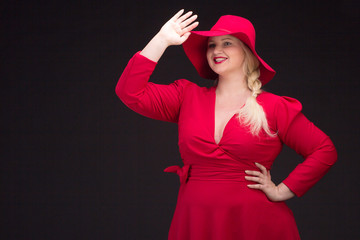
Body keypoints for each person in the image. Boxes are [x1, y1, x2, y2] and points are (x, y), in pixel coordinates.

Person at [115, 9, 337, 240]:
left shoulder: (274, 106)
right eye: (211, 45)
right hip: (195, 220)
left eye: (227, 43)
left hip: (256, 223)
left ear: (247, 53)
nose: (216, 50)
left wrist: (283, 190)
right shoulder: (186, 96)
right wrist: (161, 40)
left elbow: (324, 150)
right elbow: (129, 92)